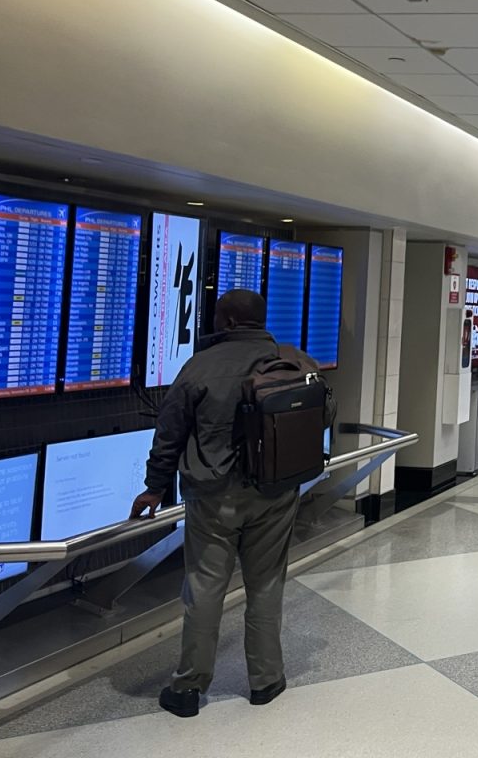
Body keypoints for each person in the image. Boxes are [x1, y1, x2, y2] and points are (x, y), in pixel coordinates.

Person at [131, 289, 334, 718]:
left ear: (225, 322)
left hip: (212, 494)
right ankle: (266, 681)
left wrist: (154, 487)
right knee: (265, 584)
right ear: (260, 321)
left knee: (204, 588)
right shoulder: (296, 360)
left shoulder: (200, 366)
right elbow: (325, 414)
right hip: (277, 492)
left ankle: (188, 689)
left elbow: (169, 434)